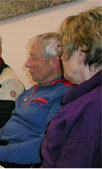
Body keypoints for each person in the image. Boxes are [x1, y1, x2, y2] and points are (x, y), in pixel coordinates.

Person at [0, 32, 74, 167]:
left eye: (33, 58)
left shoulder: (64, 95)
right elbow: (7, 128)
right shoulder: (30, 91)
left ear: (54, 62)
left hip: (21, 161)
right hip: (2, 152)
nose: (27, 64)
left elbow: (44, 146)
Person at [41, 7, 101, 168]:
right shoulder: (89, 97)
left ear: (81, 52)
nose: (60, 57)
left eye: (64, 48)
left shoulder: (91, 107)